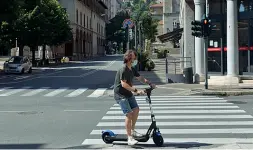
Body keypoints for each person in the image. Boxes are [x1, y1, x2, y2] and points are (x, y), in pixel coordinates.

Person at [113, 49, 156, 146]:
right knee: (129, 114)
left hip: (128, 93)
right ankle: (129, 138)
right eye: (133, 57)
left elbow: (140, 78)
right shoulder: (123, 69)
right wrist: (136, 91)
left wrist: (150, 83)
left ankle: (132, 130)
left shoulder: (132, 68)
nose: (135, 58)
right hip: (120, 94)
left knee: (136, 109)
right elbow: (124, 84)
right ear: (129, 58)